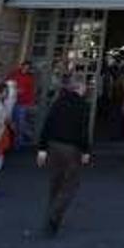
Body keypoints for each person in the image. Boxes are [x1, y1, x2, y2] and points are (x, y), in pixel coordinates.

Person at [37, 76, 91, 238]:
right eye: (84, 87)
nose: (86, 90)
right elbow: (83, 129)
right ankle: (55, 215)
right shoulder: (83, 105)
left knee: (55, 182)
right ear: (79, 88)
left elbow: (48, 123)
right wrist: (86, 151)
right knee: (71, 184)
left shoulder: (58, 102)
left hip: (53, 145)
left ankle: (51, 216)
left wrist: (42, 149)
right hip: (71, 148)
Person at [7, 61, 37, 149]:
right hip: (11, 101)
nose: (25, 69)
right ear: (21, 66)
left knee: (20, 124)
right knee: (9, 121)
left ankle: (18, 143)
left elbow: (31, 91)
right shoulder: (14, 74)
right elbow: (7, 84)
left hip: (22, 103)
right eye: (24, 67)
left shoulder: (30, 78)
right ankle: (8, 141)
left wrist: (30, 102)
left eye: (27, 68)